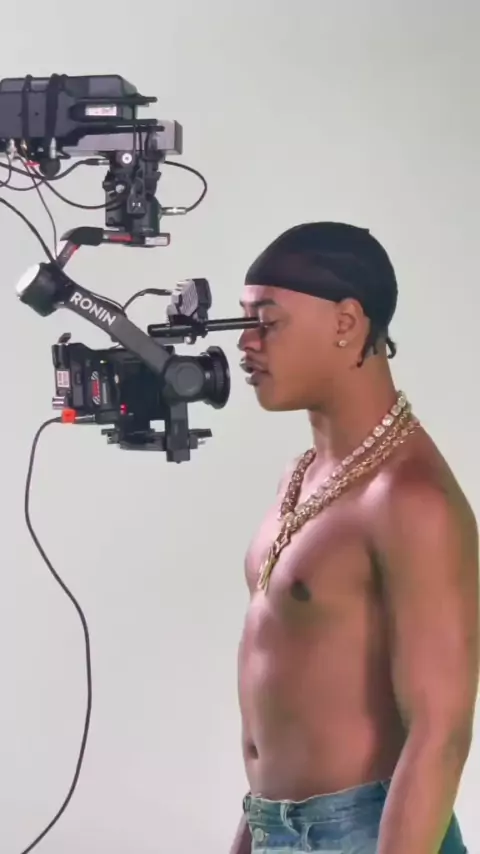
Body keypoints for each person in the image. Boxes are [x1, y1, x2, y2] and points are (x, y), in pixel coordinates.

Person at [230, 222, 479, 854]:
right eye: (244, 320)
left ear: (346, 322)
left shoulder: (409, 498)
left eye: (266, 321)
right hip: (274, 827)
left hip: (367, 835)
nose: (245, 343)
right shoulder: (301, 476)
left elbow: (440, 734)